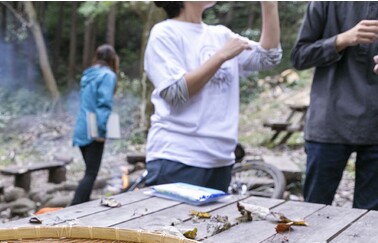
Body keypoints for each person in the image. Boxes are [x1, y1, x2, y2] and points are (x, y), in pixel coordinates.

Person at [144, 2, 281, 191]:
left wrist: (270, 5)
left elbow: (268, 57)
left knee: (212, 222)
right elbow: (175, 92)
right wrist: (220, 56)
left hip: (221, 160)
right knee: (173, 221)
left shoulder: (221, 35)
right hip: (177, 158)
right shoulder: (165, 33)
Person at [291, 2, 378, 211]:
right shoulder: (325, 3)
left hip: (375, 126)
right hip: (330, 121)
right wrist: (341, 40)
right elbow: (299, 57)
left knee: (371, 220)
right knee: (314, 212)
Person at [70, 44, 119, 205]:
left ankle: (82, 208)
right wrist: (101, 131)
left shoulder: (88, 75)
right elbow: (103, 104)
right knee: (91, 173)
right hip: (94, 129)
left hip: (81, 127)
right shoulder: (107, 75)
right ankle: (73, 209)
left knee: (89, 172)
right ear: (112, 59)